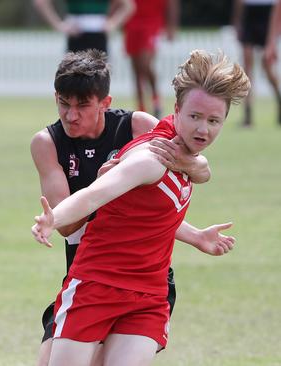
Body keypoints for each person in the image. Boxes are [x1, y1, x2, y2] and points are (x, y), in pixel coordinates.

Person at [32, 49, 250, 366]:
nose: (203, 129)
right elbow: (95, 194)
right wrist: (54, 218)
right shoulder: (150, 155)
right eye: (195, 117)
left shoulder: (163, 141)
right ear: (176, 111)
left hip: (149, 291)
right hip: (98, 283)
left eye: (213, 121)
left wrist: (196, 170)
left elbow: (144, 212)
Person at [123, 0, 179, 118]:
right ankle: (141, 107)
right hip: (132, 24)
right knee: (136, 69)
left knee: (145, 64)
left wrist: (171, 26)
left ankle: (156, 99)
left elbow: (172, 4)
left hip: (152, 23)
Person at [232, 0, 281, 126]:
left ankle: (279, 99)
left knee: (267, 65)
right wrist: (237, 22)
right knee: (247, 67)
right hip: (249, 13)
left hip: (269, 14)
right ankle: (248, 114)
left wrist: (272, 40)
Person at [32, 0, 135, 54]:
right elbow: (41, 2)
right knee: (81, 82)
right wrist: (59, 25)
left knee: (95, 81)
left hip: (97, 34)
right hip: (78, 33)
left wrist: (112, 23)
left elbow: (128, 6)